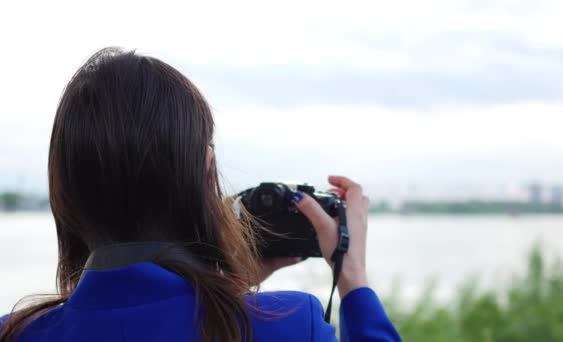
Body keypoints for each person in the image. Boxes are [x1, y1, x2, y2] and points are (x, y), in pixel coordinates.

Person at [0, 48, 400, 341]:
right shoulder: (291, 324)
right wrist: (352, 279)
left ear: (66, 191)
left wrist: (224, 289)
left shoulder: (14, 333)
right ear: (202, 172)